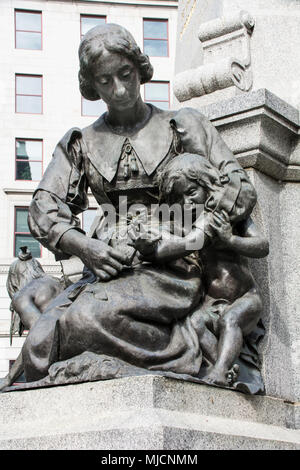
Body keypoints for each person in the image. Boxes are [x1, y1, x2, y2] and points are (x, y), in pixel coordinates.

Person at [19, 23, 259, 390]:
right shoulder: (81, 143)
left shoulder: (182, 125)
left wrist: (196, 230)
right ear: (91, 85)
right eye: (104, 81)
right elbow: (44, 206)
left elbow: (238, 187)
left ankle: (188, 345)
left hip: (171, 264)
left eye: (125, 74)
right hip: (108, 266)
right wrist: (86, 247)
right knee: (41, 339)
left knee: (82, 322)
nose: (118, 90)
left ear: (139, 67)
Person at [130, 153, 269, 387]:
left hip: (245, 298)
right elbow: (170, 241)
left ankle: (221, 370)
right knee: (195, 323)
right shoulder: (187, 227)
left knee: (231, 319)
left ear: (208, 185)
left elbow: (262, 246)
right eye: (179, 198)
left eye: (192, 192)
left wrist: (231, 241)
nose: (186, 203)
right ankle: (223, 368)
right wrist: (147, 242)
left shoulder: (229, 217)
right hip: (211, 302)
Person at [0, 247, 64, 390]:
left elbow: (38, 337)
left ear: (14, 281)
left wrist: (9, 377)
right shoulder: (56, 282)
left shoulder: (23, 296)